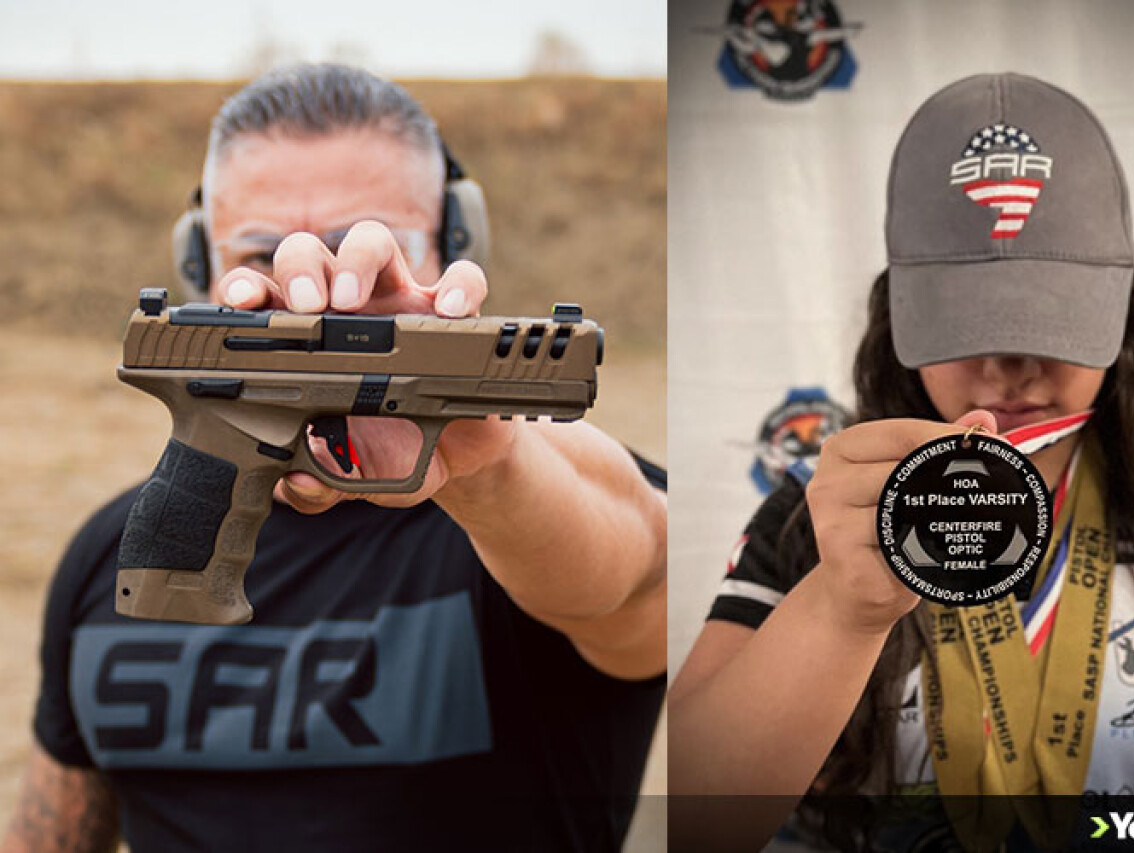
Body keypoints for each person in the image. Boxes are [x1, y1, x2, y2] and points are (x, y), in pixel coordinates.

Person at [2, 64, 666, 853]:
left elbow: (647, 569)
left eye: (359, 250)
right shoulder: (108, 556)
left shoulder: (530, 511)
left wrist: (489, 462)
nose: (310, 287)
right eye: (261, 253)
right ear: (198, 274)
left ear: (452, 253)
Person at [669, 73, 1134, 850]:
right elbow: (689, 821)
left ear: (1125, 319)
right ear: (898, 317)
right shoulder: (820, 509)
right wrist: (843, 607)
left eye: (1052, 320)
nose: (1006, 369)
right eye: (965, 324)